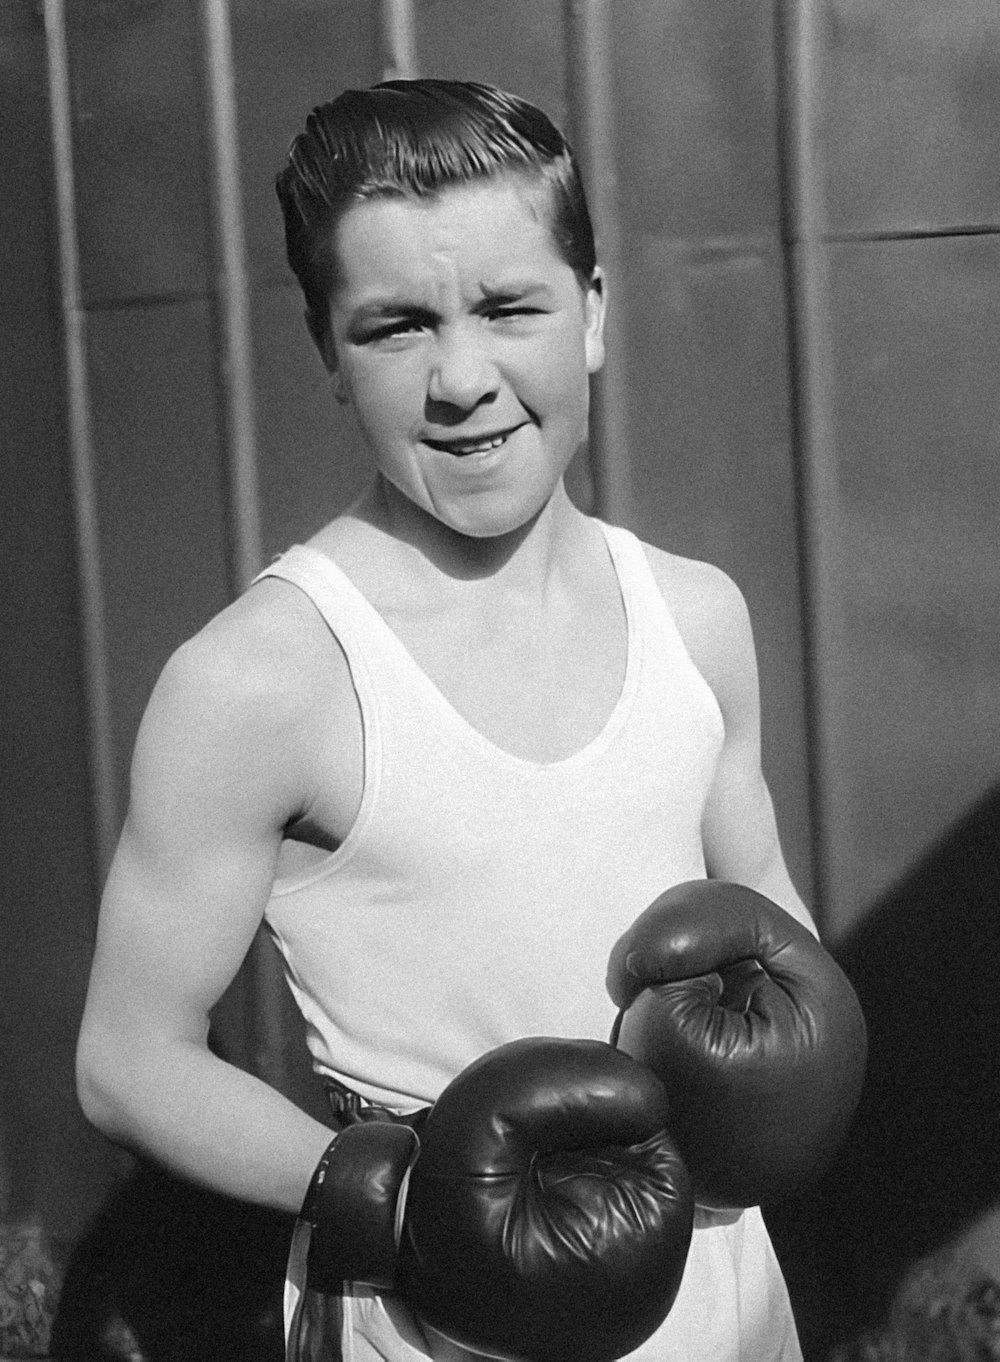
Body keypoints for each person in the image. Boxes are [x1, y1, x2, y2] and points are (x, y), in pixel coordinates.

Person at [77, 79, 817, 1359]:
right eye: (396, 326)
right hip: (439, 1317)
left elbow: (766, 908)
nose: (462, 379)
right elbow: (126, 1059)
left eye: (509, 307)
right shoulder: (264, 677)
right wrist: (393, 1199)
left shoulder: (696, 618)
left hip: (720, 1295)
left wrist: (787, 1056)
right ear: (327, 354)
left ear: (592, 313)